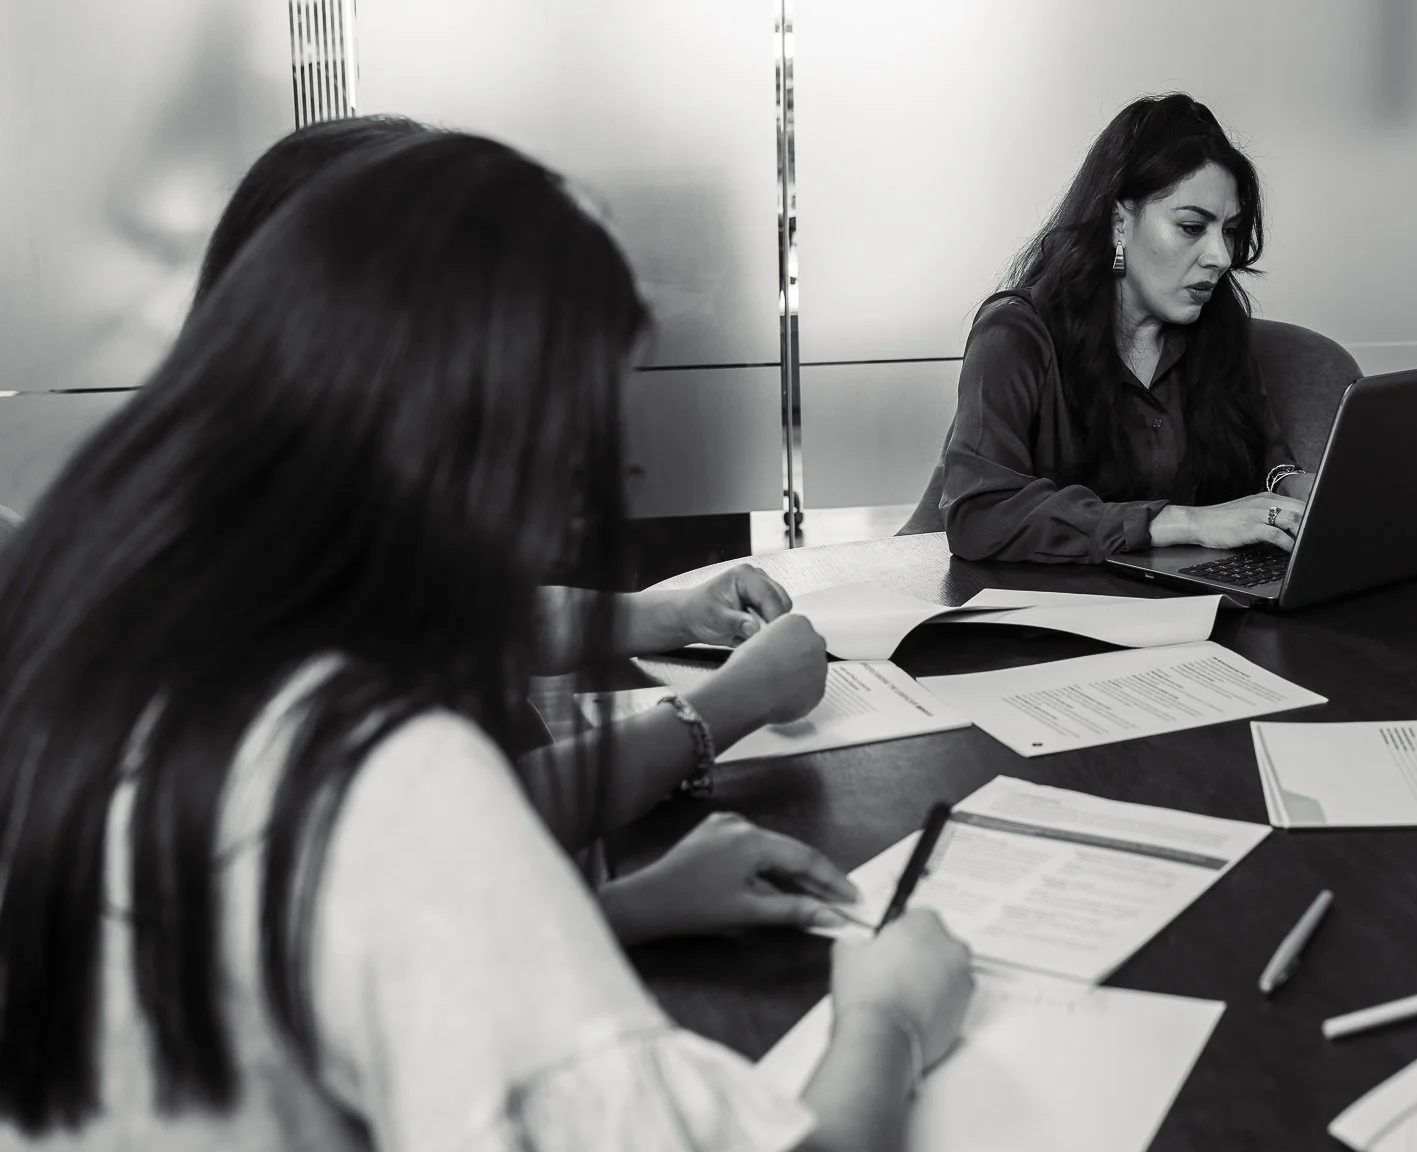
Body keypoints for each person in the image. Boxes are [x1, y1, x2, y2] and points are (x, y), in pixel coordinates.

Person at [0, 131, 973, 1152]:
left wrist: (610, 914)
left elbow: (313, 982)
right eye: (576, 452)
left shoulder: (114, 616)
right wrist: (890, 1018)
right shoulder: (378, 768)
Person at [192, 116, 846, 936]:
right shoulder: (264, 640)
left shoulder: (281, 518)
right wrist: (718, 709)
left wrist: (668, 612)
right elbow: (459, 841)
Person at [940, 92, 1310, 565]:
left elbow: (1268, 459)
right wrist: (1184, 521)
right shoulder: (1015, 335)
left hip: (1203, 611)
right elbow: (979, 515)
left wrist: (1294, 485)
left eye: (1230, 231)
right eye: (1192, 227)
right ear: (1119, 220)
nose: (1220, 257)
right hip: (1057, 622)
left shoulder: (1219, 323)